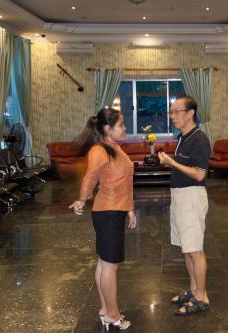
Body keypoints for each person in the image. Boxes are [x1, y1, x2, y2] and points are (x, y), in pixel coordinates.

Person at [69, 107, 136, 331]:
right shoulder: (99, 150)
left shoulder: (113, 147)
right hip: (107, 213)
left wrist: (129, 209)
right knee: (110, 266)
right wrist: (81, 199)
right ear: (107, 128)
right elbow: (90, 178)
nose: (125, 128)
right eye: (121, 125)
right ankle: (113, 316)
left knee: (104, 263)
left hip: (114, 210)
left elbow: (122, 182)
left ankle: (105, 309)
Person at [158, 96, 211, 316]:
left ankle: (201, 297)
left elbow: (199, 175)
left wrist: (172, 162)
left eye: (176, 112)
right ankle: (193, 289)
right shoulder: (183, 137)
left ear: (190, 113)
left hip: (191, 197)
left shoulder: (199, 139)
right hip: (179, 197)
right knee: (186, 248)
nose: (172, 116)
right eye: (171, 112)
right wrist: (171, 162)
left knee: (195, 250)